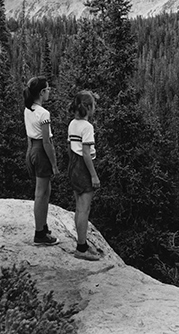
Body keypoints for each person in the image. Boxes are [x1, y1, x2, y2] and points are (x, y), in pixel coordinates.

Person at [24, 76, 59, 245]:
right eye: (48, 89)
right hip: (41, 151)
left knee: (46, 191)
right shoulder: (44, 113)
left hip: (31, 148)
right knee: (40, 193)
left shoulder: (28, 109)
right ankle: (39, 234)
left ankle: (43, 226)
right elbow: (47, 141)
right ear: (42, 92)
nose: (49, 91)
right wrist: (53, 163)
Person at [68, 90, 101, 261]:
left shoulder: (73, 124)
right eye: (93, 106)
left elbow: (72, 148)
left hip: (73, 165)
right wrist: (94, 176)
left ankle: (82, 244)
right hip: (83, 167)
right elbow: (87, 153)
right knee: (84, 209)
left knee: (78, 207)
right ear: (88, 107)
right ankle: (81, 248)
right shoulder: (87, 127)